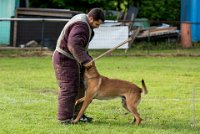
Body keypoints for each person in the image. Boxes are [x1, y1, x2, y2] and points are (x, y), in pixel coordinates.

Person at [52, 8, 105, 124]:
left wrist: (87, 58)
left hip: (74, 59)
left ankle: (78, 115)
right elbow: (74, 45)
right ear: (91, 18)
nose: (97, 26)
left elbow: (80, 46)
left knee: (81, 86)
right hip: (64, 59)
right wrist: (85, 60)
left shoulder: (84, 22)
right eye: (97, 24)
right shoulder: (81, 25)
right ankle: (64, 119)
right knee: (69, 87)